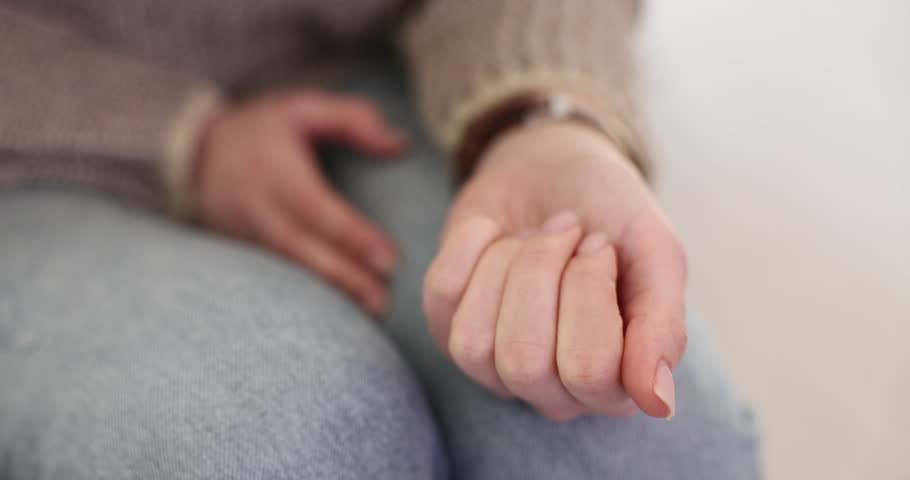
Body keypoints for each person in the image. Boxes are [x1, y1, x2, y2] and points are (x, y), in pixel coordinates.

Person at [0, 0, 760, 478]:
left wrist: (545, 116)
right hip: (29, 142)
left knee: (651, 444)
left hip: (384, 67)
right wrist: (171, 133)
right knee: (266, 443)